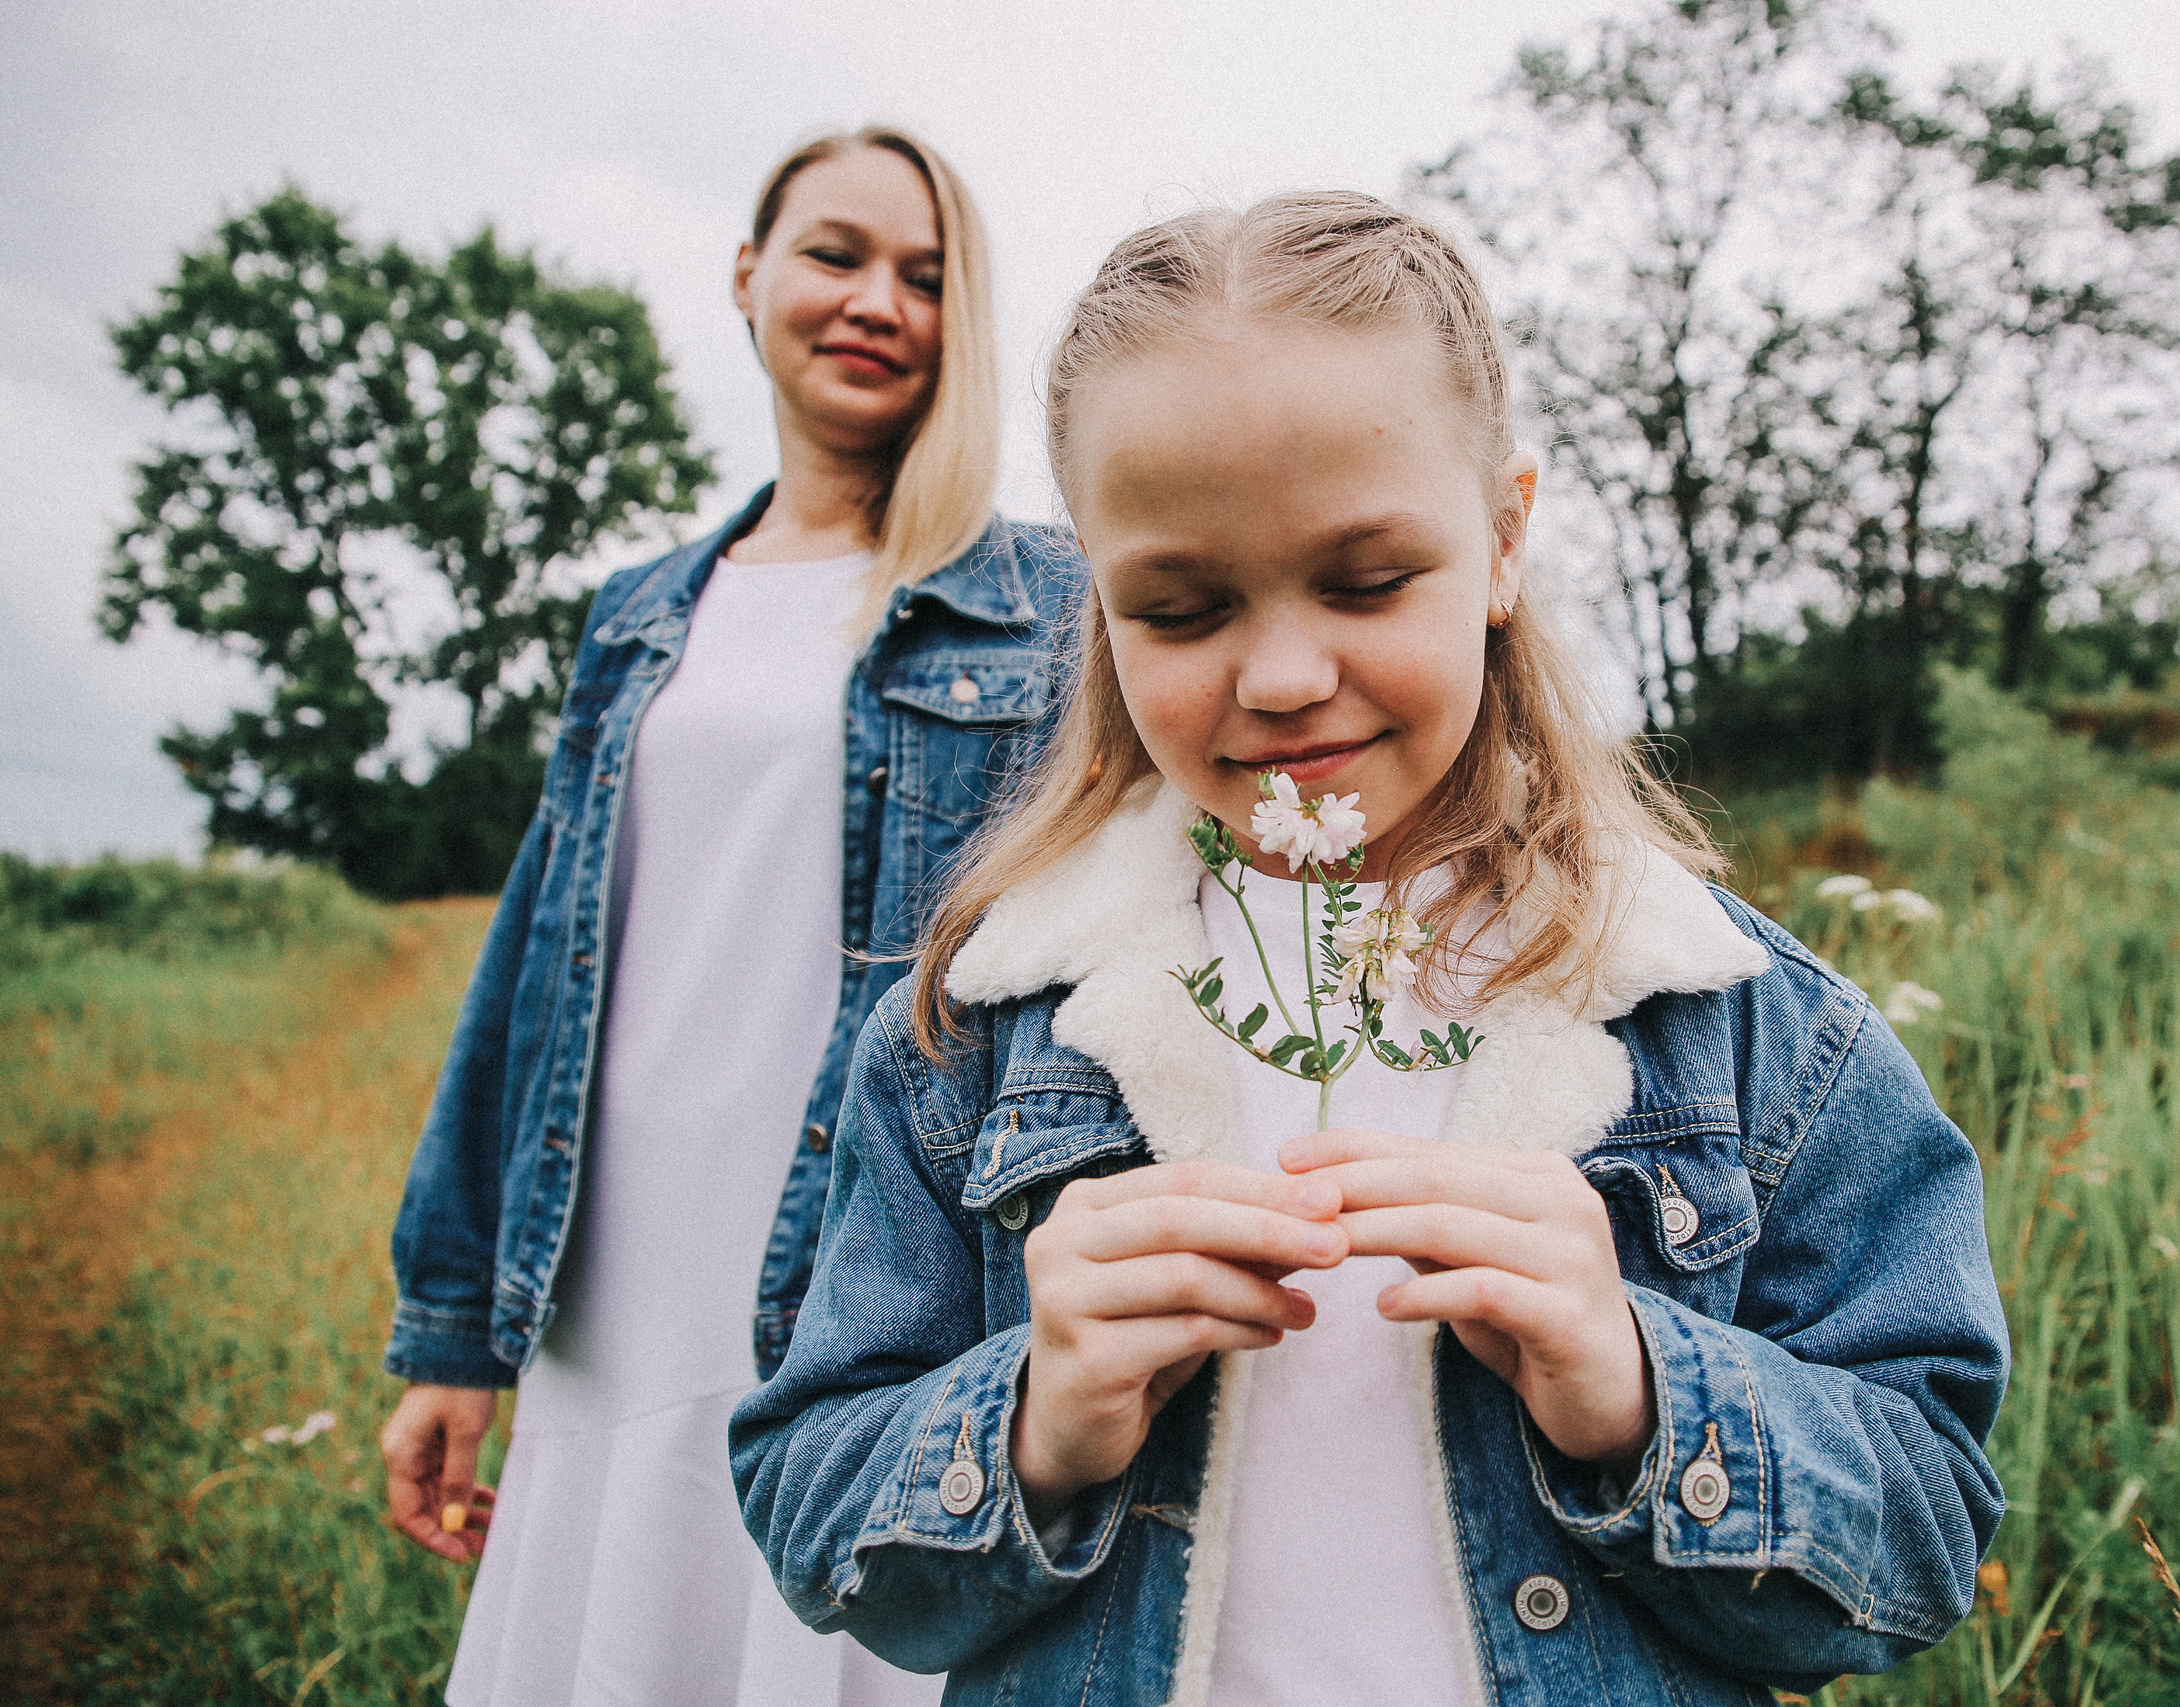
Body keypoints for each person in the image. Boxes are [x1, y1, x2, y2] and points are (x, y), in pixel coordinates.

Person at [729, 192, 2009, 1705]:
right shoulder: (978, 1029)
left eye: (1366, 582)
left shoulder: (1739, 1021)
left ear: (1504, 539)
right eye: (1182, 607)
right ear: (1100, 605)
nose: (1283, 675)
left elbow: (1930, 1525)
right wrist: (1033, 1421)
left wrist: (1640, 1390)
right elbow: (809, 1497)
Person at [378, 128, 1082, 1706]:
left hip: (875, 1263)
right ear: (749, 274)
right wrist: (451, 1334)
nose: (878, 302)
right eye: (837, 254)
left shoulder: (1053, 604)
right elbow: (533, 970)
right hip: (618, 1262)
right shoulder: (640, 616)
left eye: (926, 276)